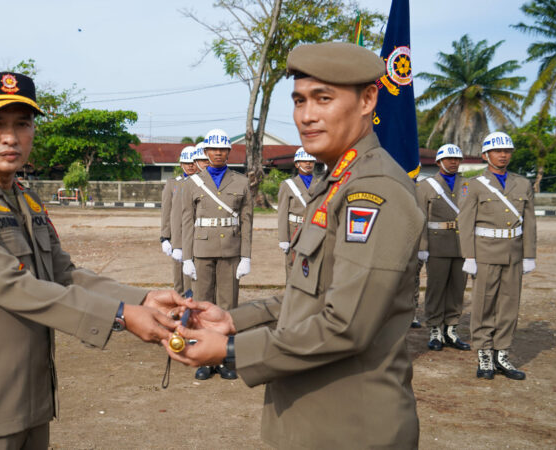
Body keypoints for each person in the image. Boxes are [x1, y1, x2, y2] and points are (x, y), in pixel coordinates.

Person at [165, 42, 422, 448]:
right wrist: (235, 320)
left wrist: (230, 350)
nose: (307, 115)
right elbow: (312, 296)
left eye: (324, 99)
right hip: (308, 417)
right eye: (300, 101)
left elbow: (346, 326)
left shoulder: (373, 190)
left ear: (368, 99)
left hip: (350, 427)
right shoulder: (335, 181)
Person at [0, 72, 181, 449]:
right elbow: (11, 285)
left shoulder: (24, 198)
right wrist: (120, 315)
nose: (10, 137)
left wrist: (143, 299)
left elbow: (63, 275)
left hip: (29, 402)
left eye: (22, 124)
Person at [458, 132, 536, 380]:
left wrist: (529, 254)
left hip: (513, 253)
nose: (503, 155)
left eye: (507, 151)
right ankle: (484, 353)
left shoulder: (522, 184)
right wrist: (468, 256)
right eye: (497, 151)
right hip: (484, 253)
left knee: (509, 304)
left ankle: (502, 353)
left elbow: (530, 222)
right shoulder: (473, 184)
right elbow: (465, 221)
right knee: (483, 304)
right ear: (485, 155)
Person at [180, 128, 253, 381]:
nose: (218, 153)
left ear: (229, 152)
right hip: (201, 253)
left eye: (223, 149)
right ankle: (203, 359)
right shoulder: (192, 183)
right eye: (214, 149)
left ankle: (224, 360)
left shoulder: (242, 182)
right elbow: (187, 222)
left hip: (231, 253)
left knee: (227, 307)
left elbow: (247, 221)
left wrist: (246, 256)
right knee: (201, 307)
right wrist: (186, 257)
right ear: (207, 152)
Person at [416, 144, 471, 351]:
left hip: (461, 246)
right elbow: (419, 218)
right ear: (439, 162)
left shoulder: (468, 185)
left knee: (458, 288)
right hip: (437, 245)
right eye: (449, 159)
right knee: (436, 288)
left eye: (457, 159)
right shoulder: (425, 186)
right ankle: (435, 329)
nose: (453, 162)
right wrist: (422, 246)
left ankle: (451, 329)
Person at [160, 146, 195, 295]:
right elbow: (166, 213)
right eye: (186, 162)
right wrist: (165, 238)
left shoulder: (203, 184)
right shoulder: (173, 184)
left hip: (198, 237)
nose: (190, 165)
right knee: (179, 281)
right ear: (181, 164)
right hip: (178, 239)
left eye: (193, 162)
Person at [277, 148, 315, 280]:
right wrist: (284, 239)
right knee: (293, 266)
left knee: (314, 266)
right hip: (295, 230)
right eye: (304, 161)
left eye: (311, 161)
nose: (308, 163)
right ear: (297, 164)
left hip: (315, 229)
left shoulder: (321, 183)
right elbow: (282, 214)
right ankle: (291, 299)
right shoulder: (288, 185)